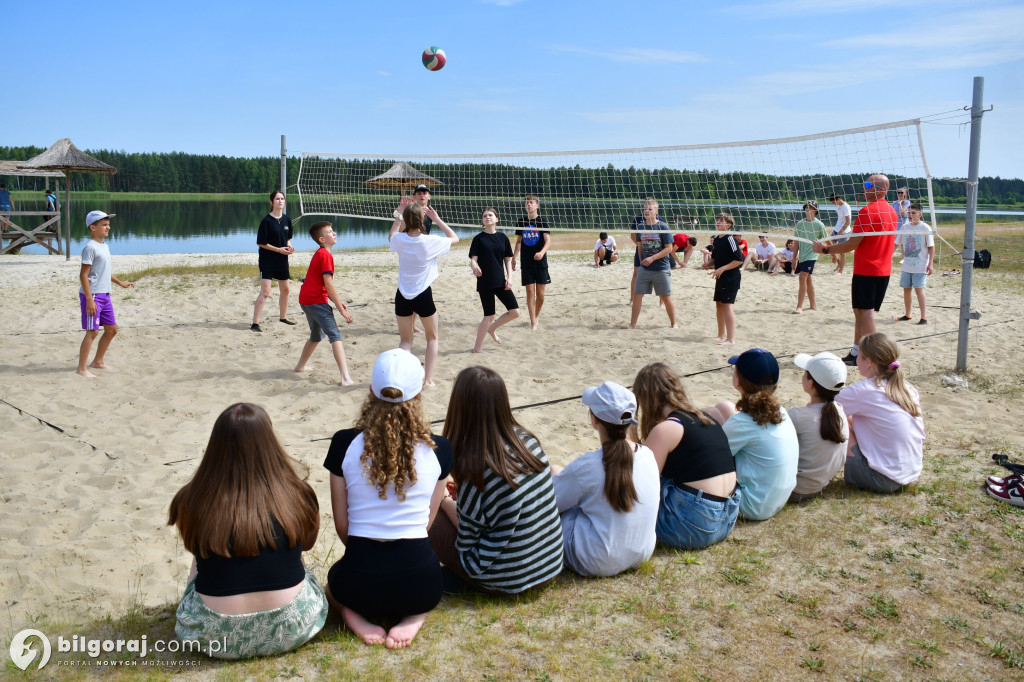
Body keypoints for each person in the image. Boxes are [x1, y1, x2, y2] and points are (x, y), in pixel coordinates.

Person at [168, 403, 327, 659]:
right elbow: (306, 545)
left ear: (215, 447)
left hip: (214, 636)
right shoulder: (297, 493)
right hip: (291, 626)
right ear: (269, 443)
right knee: (291, 552)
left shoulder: (192, 498)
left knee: (203, 554)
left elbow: (194, 546)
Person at [323, 349, 451, 648]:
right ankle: (413, 617)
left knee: (333, 585)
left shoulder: (344, 443)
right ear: (418, 395)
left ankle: (356, 618)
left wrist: (367, 556)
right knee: (422, 587)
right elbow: (427, 523)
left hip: (359, 580)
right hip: (420, 583)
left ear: (371, 391)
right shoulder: (440, 449)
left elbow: (342, 524)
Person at [429, 365, 563, 594]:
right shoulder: (528, 442)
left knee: (428, 517)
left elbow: (466, 538)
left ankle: (462, 580)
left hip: (507, 579)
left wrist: (443, 501)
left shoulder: (475, 464)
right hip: (548, 565)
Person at [549, 381, 660, 577]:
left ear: (594, 420)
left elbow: (550, 505)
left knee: (556, 473)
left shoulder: (588, 466)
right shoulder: (648, 455)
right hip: (642, 551)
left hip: (596, 561)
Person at [632, 363, 740, 550]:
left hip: (695, 527)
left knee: (646, 480)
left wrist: (631, 438)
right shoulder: (707, 418)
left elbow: (643, 484)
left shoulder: (666, 429)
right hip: (729, 518)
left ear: (645, 399)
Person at [813, 174, 898, 366]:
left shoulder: (868, 211)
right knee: (860, 311)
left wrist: (826, 249)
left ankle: (874, 356)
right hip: (882, 270)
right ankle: (856, 352)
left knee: (866, 313)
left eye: (868, 184)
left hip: (869, 269)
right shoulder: (892, 211)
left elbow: (851, 243)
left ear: (881, 189)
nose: (864, 187)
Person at [704, 349, 798, 521]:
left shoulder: (742, 423)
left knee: (709, 419)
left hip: (753, 506)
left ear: (738, 381)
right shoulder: (782, 412)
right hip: (778, 498)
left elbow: (709, 459)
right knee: (719, 409)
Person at [836, 333, 924, 493]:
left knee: (837, 418)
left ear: (868, 361)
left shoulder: (864, 390)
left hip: (883, 479)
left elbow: (825, 409)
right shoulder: (907, 388)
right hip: (911, 472)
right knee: (852, 418)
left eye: (859, 356)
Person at [388, 200, 459, 384]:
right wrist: (437, 219)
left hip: (402, 295)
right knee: (432, 338)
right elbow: (455, 238)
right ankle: (428, 380)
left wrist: (399, 214)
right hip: (422, 295)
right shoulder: (430, 241)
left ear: (406, 219)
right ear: (422, 219)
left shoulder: (399, 240)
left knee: (405, 341)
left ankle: (401, 378)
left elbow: (392, 235)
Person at [294, 221, 355, 385]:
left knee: (316, 335)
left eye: (333, 230)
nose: (334, 233)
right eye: (330, 231)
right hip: (315, 301)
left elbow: (319, 282)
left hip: (306, 299)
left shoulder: (320, 253)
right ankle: (345, 378)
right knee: (335, 335)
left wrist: (338, 303)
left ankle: (300, 366)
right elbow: (328, 283)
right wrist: (341, 309)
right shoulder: (325, 255)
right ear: (322, 239)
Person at [77, 211, 135, 378]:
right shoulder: (90, 248)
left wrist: (120, 283)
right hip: (93, 295)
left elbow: (104, 271)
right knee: (92, 332)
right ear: (93, 227)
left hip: (105, 295)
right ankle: (82, 368)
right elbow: (84, 275)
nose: (108, 227)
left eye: (108, 224)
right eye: (104, 225)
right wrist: (89, 299)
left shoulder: (104, 246)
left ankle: (98, 361)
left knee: (112, 330)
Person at [787, 352, 849, 502]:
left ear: (811, 384)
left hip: (793, 490)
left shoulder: (797, 416)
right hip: (818, 486)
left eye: (805, 374)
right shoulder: (839, 410)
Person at [469, 208, 519, 352]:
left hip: (500, 281)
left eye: (490, 215)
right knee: (489, 315)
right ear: (482, 221)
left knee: (515, 312)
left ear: (496, 219)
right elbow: (473, 259)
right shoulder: (478, 238)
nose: (487, 217)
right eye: (484, 216)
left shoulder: (503, 237)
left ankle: (492, 329)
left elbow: (508, 261)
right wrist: (474, 265)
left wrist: (510, 278)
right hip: (484, 281)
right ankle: (477, 348)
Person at [629, 198, 676, 329]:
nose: (646, 211)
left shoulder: (663, 226)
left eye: (650, 209)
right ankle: (632, 325)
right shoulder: (641, 227)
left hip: (661, 268)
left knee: (666, 298)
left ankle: (674, 323)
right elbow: (639, 246)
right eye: (645, 208)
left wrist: (652, 258)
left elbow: (669, 248)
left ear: (656, 211)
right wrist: (642, 262)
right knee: (637, 295)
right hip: (645, 269)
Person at [251, 190, 295, 332]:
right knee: (265, 292)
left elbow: (288, 238)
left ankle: (283, 318)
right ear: (271, 202)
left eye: (282, 199)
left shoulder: (287, 219)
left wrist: (289, 246)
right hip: (268, 259)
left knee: (286, 289)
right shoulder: (266, 221)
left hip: (282, 258)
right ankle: (255, 324)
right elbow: (261, 243)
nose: (280, 201)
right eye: (277, 199)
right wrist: (278, 250)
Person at [513, 195, 551, 330]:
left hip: (540, 262)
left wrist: (541, 252)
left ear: (537, 205)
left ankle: (536, 315)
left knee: (541, 295)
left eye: (531, 203)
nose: (528, 204)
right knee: (530, 292)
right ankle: (533, 321)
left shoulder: (542, 221)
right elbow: (518, 242)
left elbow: (548, 241)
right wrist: (514, 257)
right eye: (527, 203)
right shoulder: (521, 222)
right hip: (527, 261)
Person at [705, 212, 744, 344]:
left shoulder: (730, 239)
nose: (718, 221)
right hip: (720, 276)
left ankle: (731, 339)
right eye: (717, 219)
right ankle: (721, 335)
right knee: (719, 305)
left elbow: (739, 260)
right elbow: (715, 258)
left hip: (731, 277)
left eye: (721, 220)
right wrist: (709, 264)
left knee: (727, 306)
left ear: (728, 225)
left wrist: (722, 268)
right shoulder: (717, 239)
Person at [894, 203, 935, 325]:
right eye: (909, 213)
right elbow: (896, 243)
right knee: (906, 289)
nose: (910, 215)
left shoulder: (925, 228)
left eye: (913, 213)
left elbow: (931, 247)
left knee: (919, 289)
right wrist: (888, 255)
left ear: (920, 214)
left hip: (921, 265)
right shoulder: (905, 227)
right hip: (907, 264)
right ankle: (908, 314)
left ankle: (924, 317)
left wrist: (930, 264)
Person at [793, 200, 829, 314]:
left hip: (813, 254)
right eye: (806, 207)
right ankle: (813, 305)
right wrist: (794, 258)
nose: (808, 208)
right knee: (808, 280)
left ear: (815, 211)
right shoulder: (800, 224)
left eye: (810, 207)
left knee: (802, 276)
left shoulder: (819, 225)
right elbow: (796, 242)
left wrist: (834, 254)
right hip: (803, 255)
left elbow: (827, 240)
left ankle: (799, 307)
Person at [828, 193, 852, 274]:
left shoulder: (846, 207)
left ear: (838, 199)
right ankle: (838, 263)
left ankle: (841, 271)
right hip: (837, 229)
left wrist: (841, 232)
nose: (833, 204)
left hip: (844, 231)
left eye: (833, 202)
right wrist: (837, 231)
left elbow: (848, 222)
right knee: (829, 246)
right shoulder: (838, 206)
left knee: (842, 252)